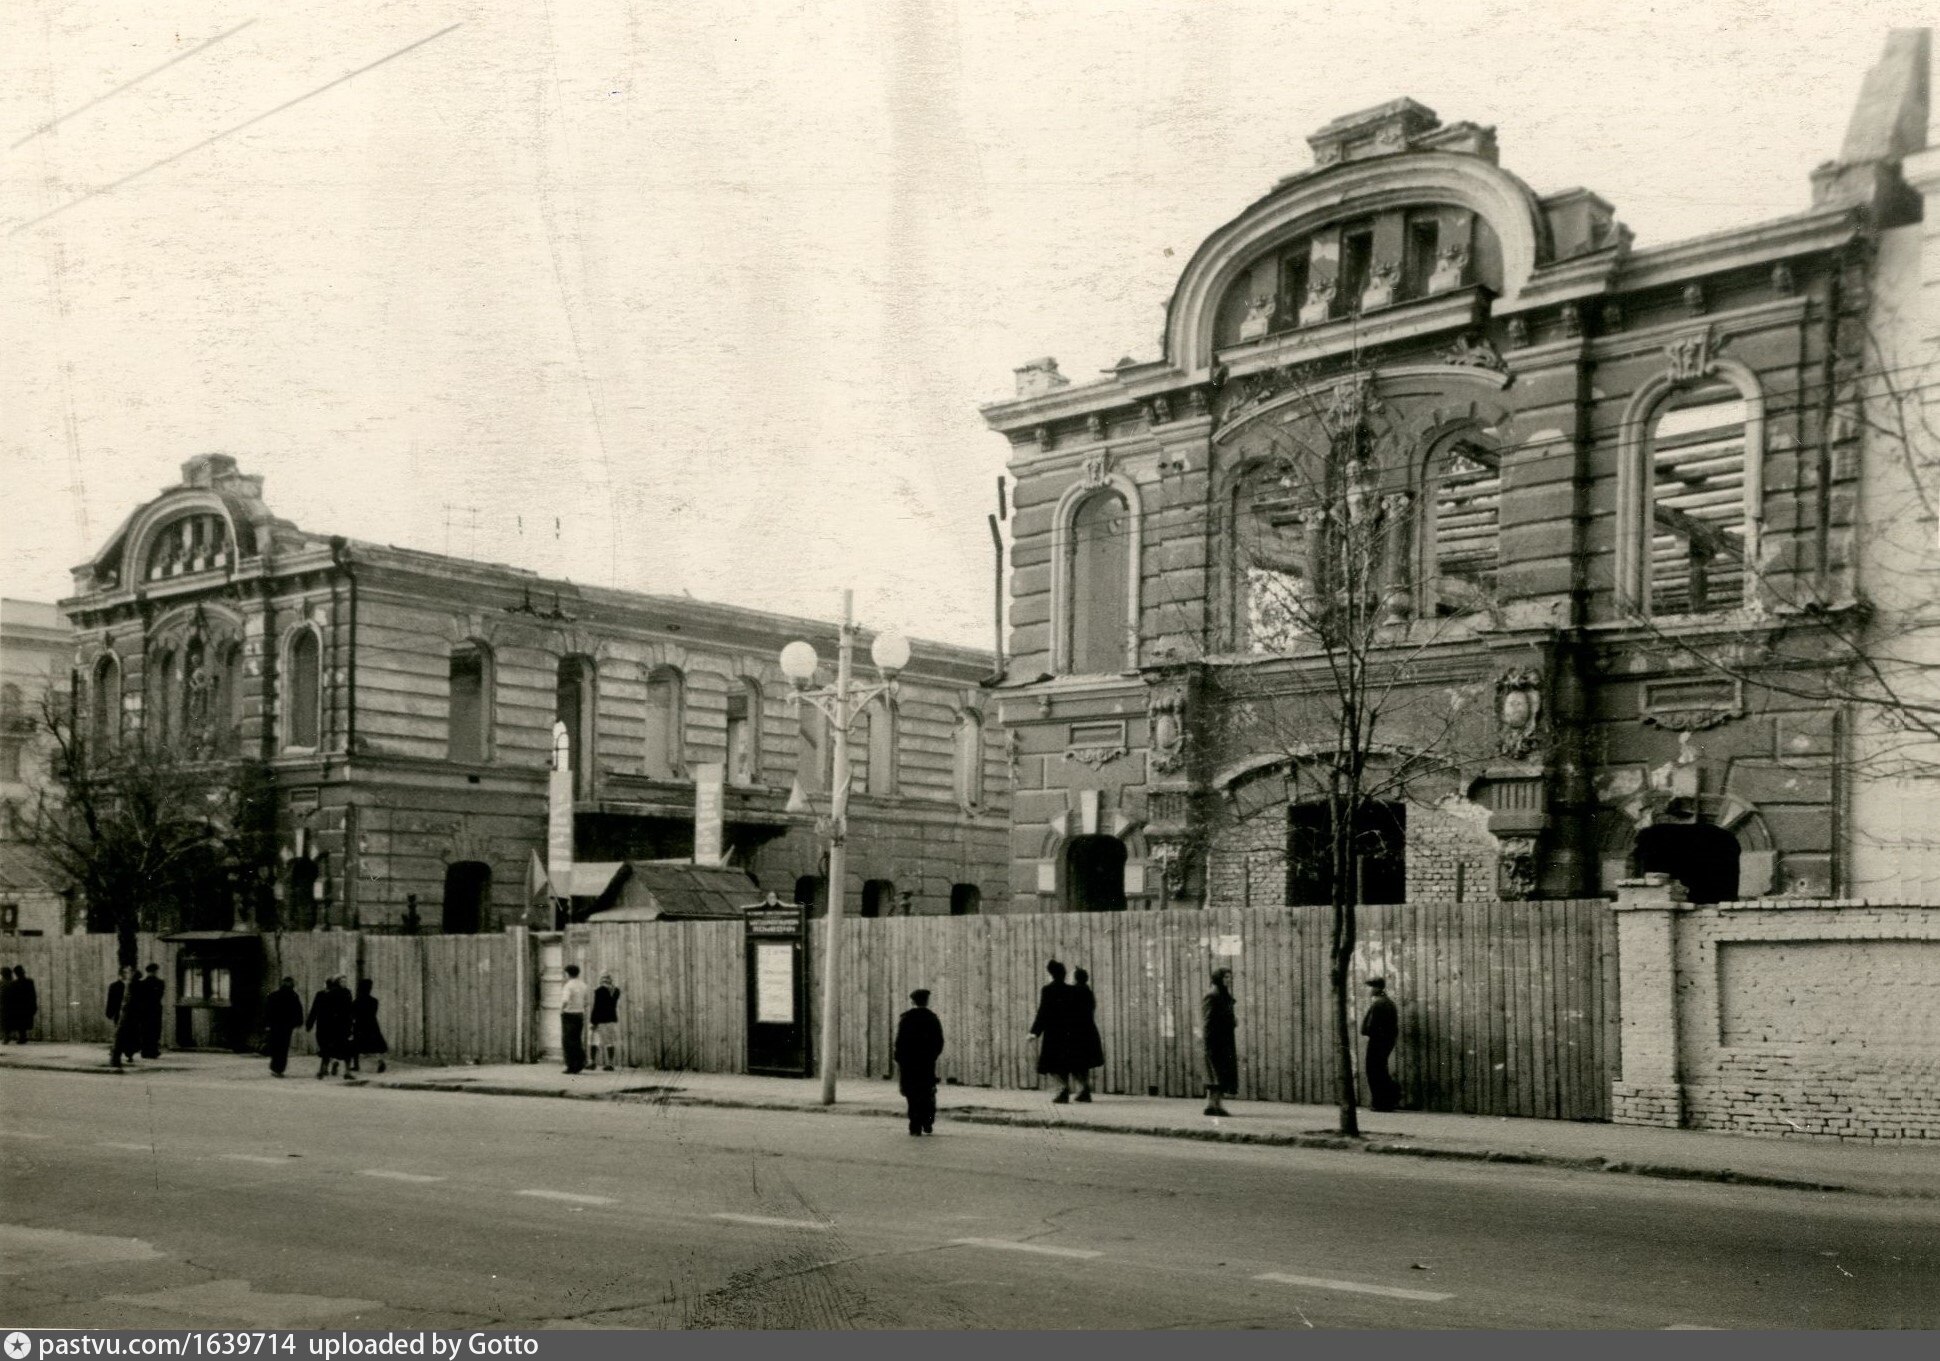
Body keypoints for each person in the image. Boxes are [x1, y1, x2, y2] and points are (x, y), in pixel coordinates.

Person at [1028, 959, 1084, 1103]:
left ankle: (1062, 1090)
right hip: (1070, 1032)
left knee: (1052, 1064)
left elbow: (1043, 1012)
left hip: (1053, 1032)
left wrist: (1034, 1032)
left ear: (1051, 974)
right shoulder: (1072, 990)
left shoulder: (1047, 990)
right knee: (1066, 1062)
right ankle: (1074, 1091)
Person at [894, 988, 945, 1135]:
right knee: (927, 1092)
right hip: (926, 1062)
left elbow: (899, 1042)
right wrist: (932, 1056)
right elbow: (939, 1041)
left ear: (912, 1001)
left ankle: (914, 1125)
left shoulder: (906, 1019)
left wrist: (900, 1059)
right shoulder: (932, 1018)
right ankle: (927, 1121)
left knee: (912, 1094)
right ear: (927, 1001)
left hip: (909, 1063)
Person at [1201, 967, 1238, 1117]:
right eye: (1226, 977)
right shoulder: (1213, 995)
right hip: (1216, 1040)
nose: (1229, 980)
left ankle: (1213, 1105)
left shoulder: (1222, 995)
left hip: (1224, 1039)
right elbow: (1208, 1020)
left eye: (1230, 977)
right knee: (1216, 1073)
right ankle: (1215, 1105)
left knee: (1219, 1073)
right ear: (1219, 979)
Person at [1362, 976, 1401, 1113]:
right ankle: (1387, 1100)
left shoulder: (1379, 1004)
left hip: (1378, 1041)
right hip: (1385, 1040)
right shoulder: (1387, 1002)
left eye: (1371, 987)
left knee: (1374, 1070)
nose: (1369, 990)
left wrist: (1368, 1032)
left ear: (1377, 988)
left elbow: (1370, 1026)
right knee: (1380, 1069)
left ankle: (1382, 1102)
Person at [306, 975, 353, 1080]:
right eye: (342, 981)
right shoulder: (343, 993)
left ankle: (323, 1071)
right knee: (345, 1049)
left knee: (326, 1049)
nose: (344, 983)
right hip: (339, 1026)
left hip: (328, 1026)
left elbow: (316, 1010)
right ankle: (346, 1072)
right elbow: (348, 1010)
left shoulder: (325, 994)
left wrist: (310, 1023)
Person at [1069, 967, 1104, 1102]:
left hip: (1077, 1031)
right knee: (1082, 1063)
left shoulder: (1075, 991)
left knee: (1075, 1062)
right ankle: (1084, 1090)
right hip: (1088, 1030)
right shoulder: (1087, 991)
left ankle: (1084, 1090)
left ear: (1076, 978)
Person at [264, 976, 304, 1077]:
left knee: (277, 1046)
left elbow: (267, 1011)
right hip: (285, 1026)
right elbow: (298, 1011)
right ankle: (279, 1068)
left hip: (277, 1025)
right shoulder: (293, 996)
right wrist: (298, 1022)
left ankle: (276, 1067)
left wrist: (267, 1024)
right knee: (283, 1047)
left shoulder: (274, 995)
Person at [350, 978, 388, 1075]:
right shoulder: (374, 1001)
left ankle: (356, 1065)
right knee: (376, 1045)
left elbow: (353, 1014)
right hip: (372, 1024)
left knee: (356, 1046)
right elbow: (373, 1013)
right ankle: (380, 1062)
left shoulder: (356, 1001)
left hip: (360, 1025)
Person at [106, 965, 141, 1070]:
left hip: (131, 1014)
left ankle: (129, 1053)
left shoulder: (133, 985)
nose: (128, 974)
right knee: (120, 1034)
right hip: (119, 1014)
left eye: (130, 972)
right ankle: (117, 1053)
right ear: (121, 974)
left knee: (131, 1034)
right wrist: (110, 1013)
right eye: (126, 972)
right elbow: (110, 1000)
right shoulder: (115, 986)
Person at [560, 964, 589, 1075]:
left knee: (567, 1041)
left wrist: (561, 1010)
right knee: (577, 1039)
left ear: (568, 973)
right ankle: (580, 1063)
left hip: (569, 1014)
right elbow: (586, 1002)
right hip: (579, 1014)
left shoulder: (568, 986)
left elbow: (565, 1000)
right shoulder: (583, 985)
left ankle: (571, 1066)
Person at [589, 973, 621, 1071]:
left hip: (600, 1020)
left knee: (594, 1041)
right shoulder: (616, 991)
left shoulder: (599, 991)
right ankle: (610, 1063)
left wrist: (593, 1022)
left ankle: (592, 1062)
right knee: (609, 1042)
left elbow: (597, 1007)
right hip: (611, 1019)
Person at [135, 962, 166, 1058]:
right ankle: (153, 1051)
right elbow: (159, 996)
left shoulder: (141, 983)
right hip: (155, 1009)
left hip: (144, 1010)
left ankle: (145, 1051)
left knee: (145, 1030)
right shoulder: (160, 983)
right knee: (155, 1030)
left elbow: (139, 998)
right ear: (156, 971)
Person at [16, 965, 38, 1043]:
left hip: (19, 1005)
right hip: (26, 1004)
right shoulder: (29, 981)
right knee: (24, 1021)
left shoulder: (15, 983)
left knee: (20, 1021)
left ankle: (22, 1036)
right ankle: (23, 1036)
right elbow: (33, 994)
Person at [0, 967, 17, 1043]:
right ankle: (6, 1036)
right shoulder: (13, 983)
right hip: (11, 1005)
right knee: (7, 1021)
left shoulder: (2, 982)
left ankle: (6, 1037)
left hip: (3, 1004)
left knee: (3, 1021)